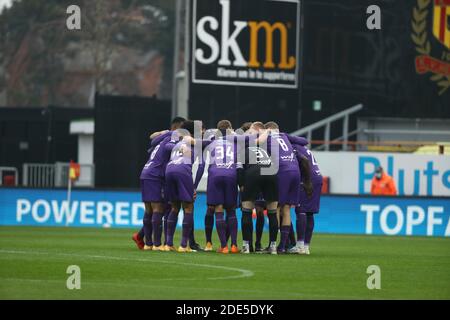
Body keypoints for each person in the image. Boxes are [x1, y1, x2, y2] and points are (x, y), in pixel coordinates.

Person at [132, 116, 185, 250]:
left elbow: (152, 142)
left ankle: (147, 243)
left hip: (146, 172)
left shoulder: (161, 139)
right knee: (158, 209)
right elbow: (168, 148)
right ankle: (156, 244)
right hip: (155, 175)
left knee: (150, 209)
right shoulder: (171, 139)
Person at [197, 120, 240, 253]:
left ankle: (220, 245)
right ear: (231, 128)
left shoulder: (212, 139)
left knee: (216, 209)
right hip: (231, 173)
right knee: (231, 210)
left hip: (214, 173)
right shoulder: (236, 139)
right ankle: (233, 245)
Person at [294, 144, 321, 255]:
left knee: (301, 210)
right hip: (318, 177)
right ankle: (306, 246)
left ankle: (300, 246)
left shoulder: (293, 147)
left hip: (308, 178)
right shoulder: (304, 148)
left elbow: (304, 160)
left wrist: (305, 180)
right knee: (309, 213)